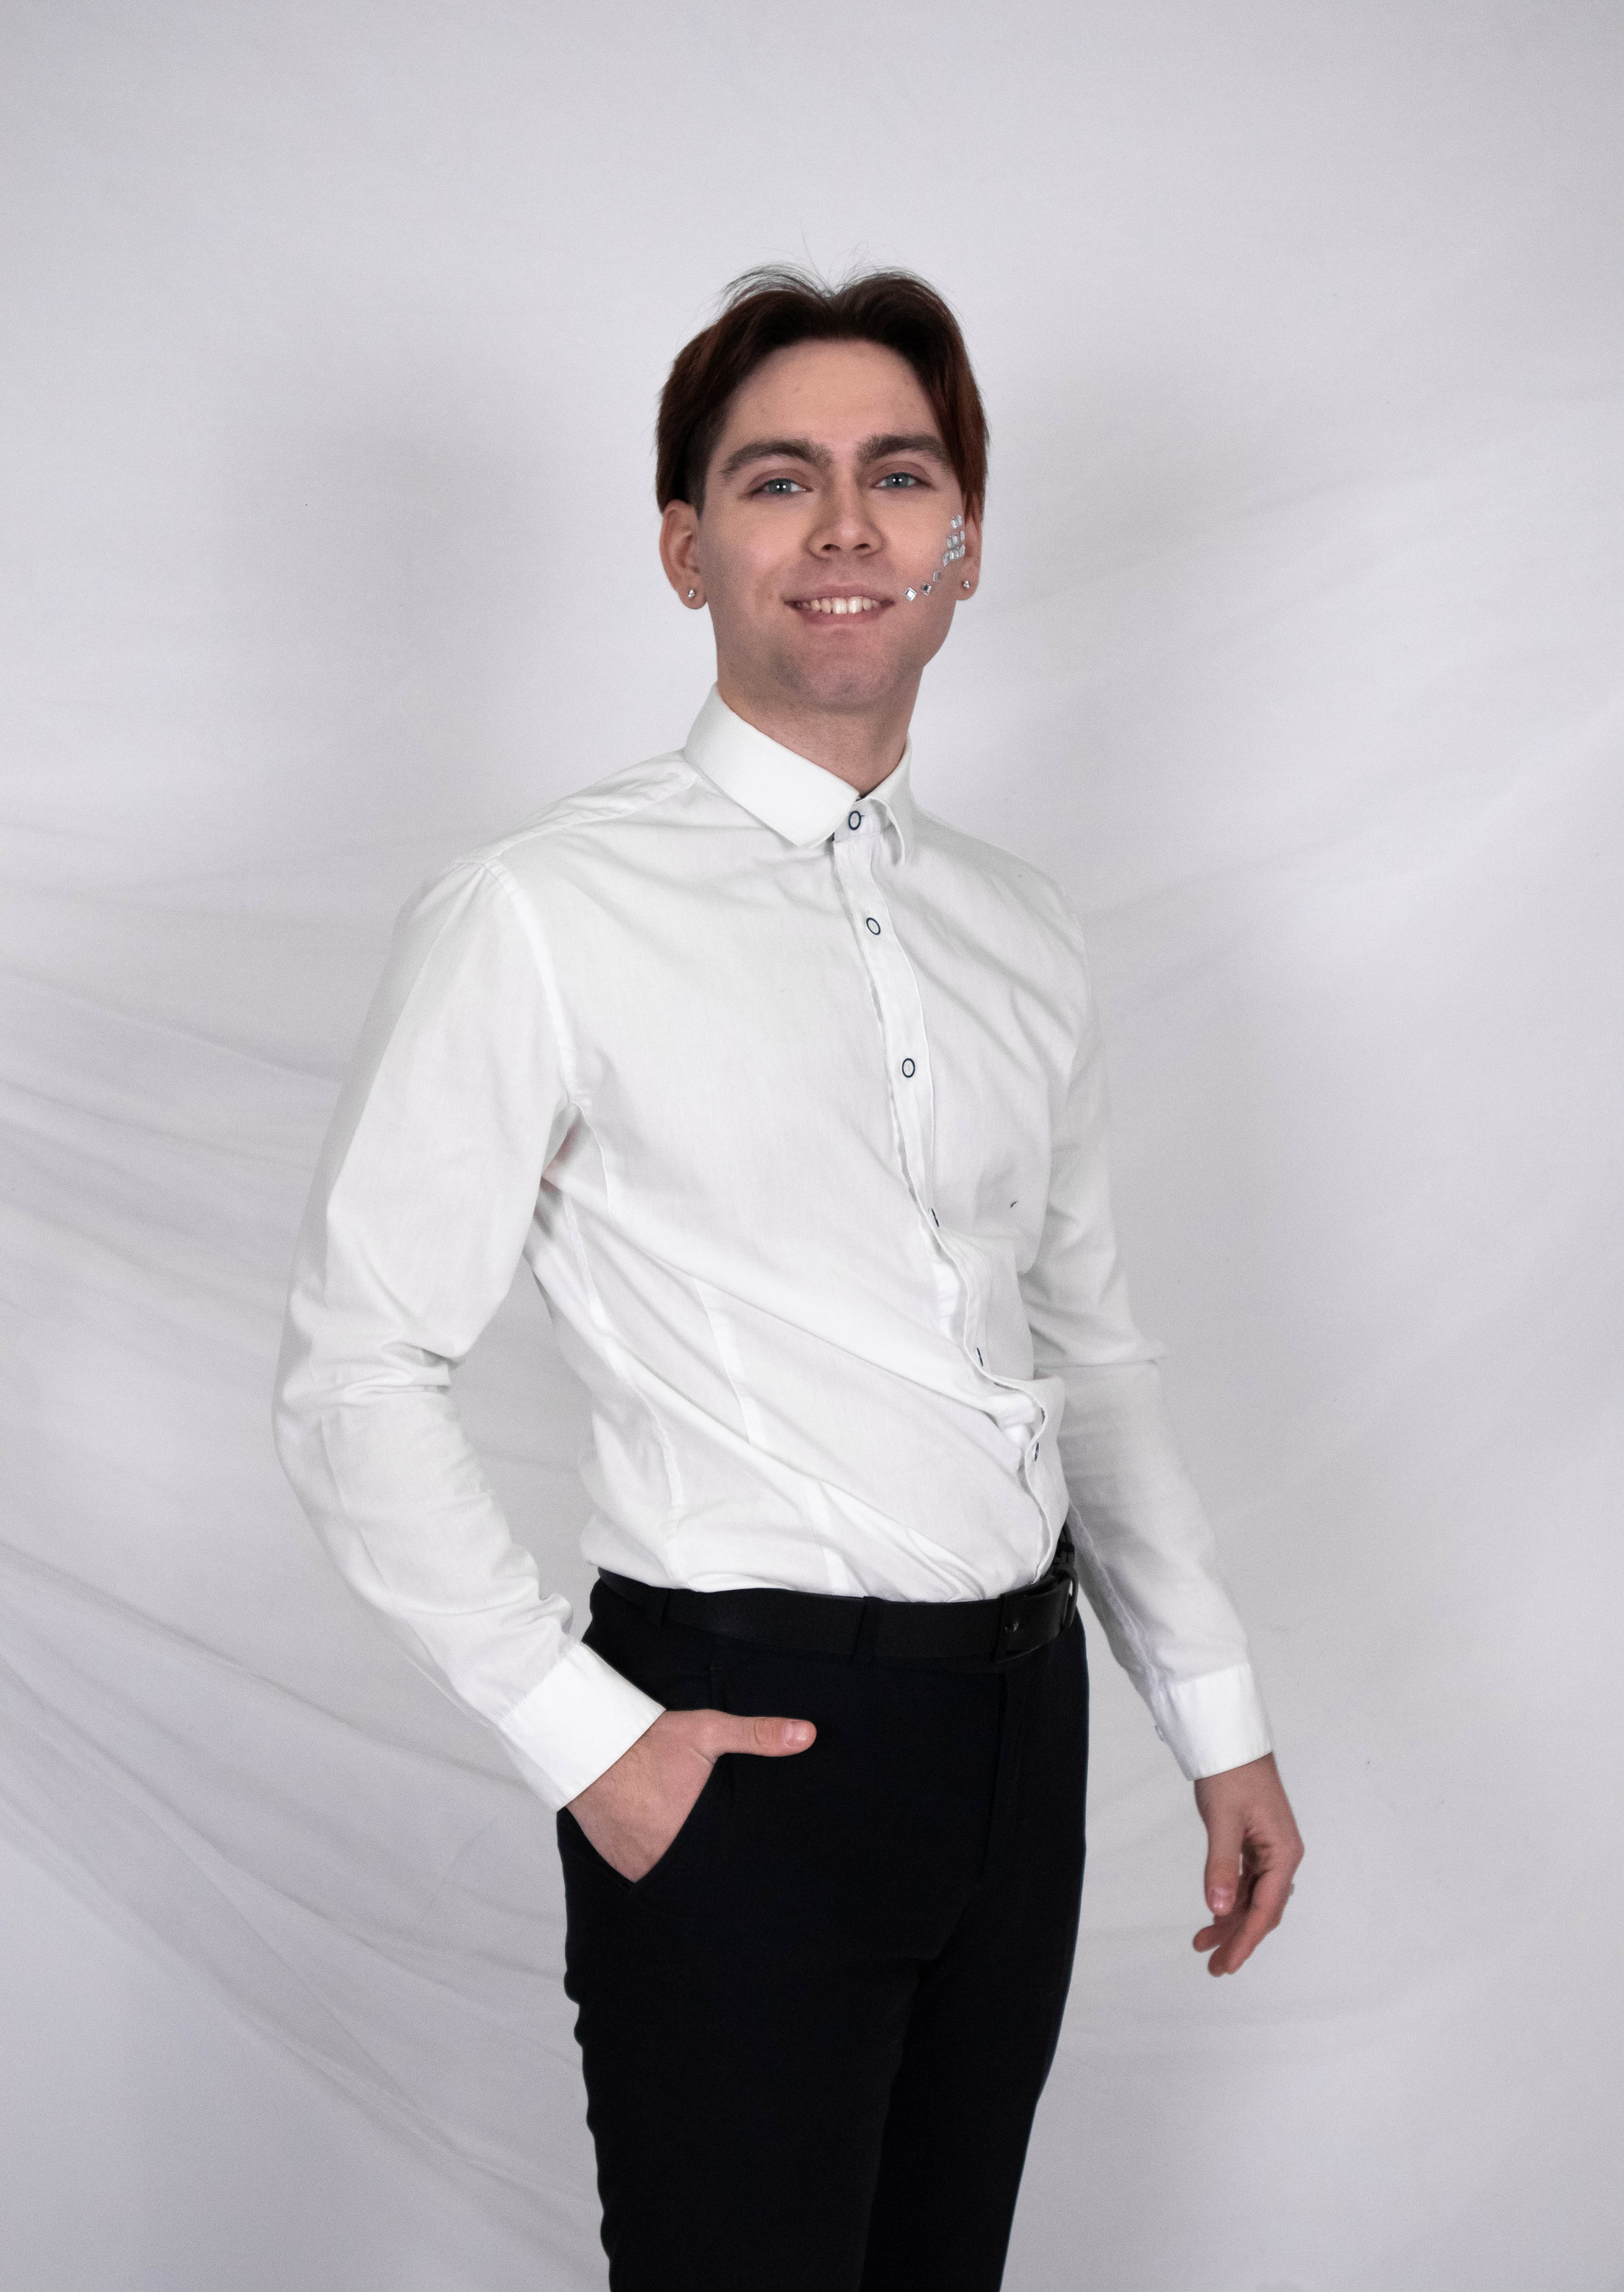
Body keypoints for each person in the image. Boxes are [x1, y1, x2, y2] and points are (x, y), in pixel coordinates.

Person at [274, 266, 1304, 2292]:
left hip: (1020, 1739)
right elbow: (356, 1370)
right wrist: (588, 1738)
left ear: (963, 542)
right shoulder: (540, 915)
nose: (847, 525)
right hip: (736, 1740)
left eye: (898, 475)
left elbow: (1085, 1351)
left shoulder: (1022, 929)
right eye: (778, 479)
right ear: (686, 547)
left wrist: (1216, 1713)